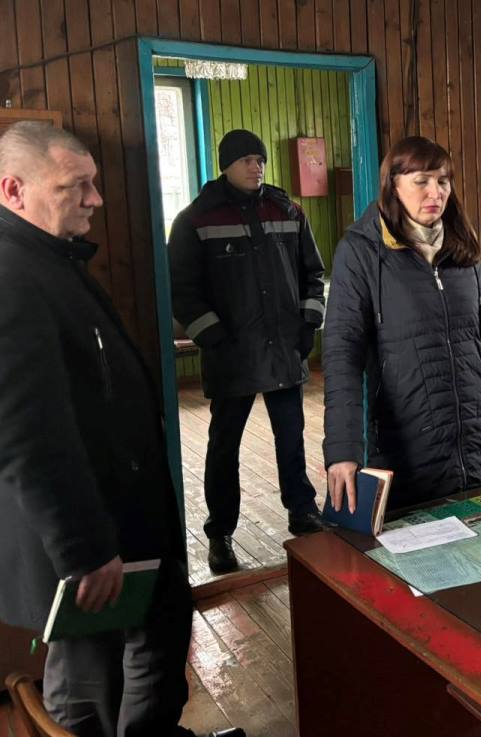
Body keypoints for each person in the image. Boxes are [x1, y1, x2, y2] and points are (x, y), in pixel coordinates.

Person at [0, 122, 242, 737]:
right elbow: (26, 435)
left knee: (148, 649)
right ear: (14, 190)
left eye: (94, 183)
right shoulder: (11, 273)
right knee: (90, 685)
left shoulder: (50, 258)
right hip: (90, 539)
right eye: (75, 185)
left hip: (120, 522)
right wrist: (83, 550)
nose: (96, 199)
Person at [322, 136, 481, 513]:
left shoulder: (461, 246)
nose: (436, 192)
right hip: (409, 448)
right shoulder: (362, 251)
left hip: (479, 441)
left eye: (443, 181)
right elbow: (341, 353)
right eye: (421, 181)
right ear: (393, 185)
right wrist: (342, 450)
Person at [168, 129, 327, 574]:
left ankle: (302, 511)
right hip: (231, 355)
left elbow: (313, 274)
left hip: (284, 350)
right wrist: (214, 338)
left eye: (260, 159)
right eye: (246, 160)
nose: (256, 167)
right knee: (225, 446)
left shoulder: (288, 210)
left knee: (291, 436)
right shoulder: (195, 219)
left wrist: (308, 325)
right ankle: (220, 533)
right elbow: (182, 291)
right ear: (226, 166)